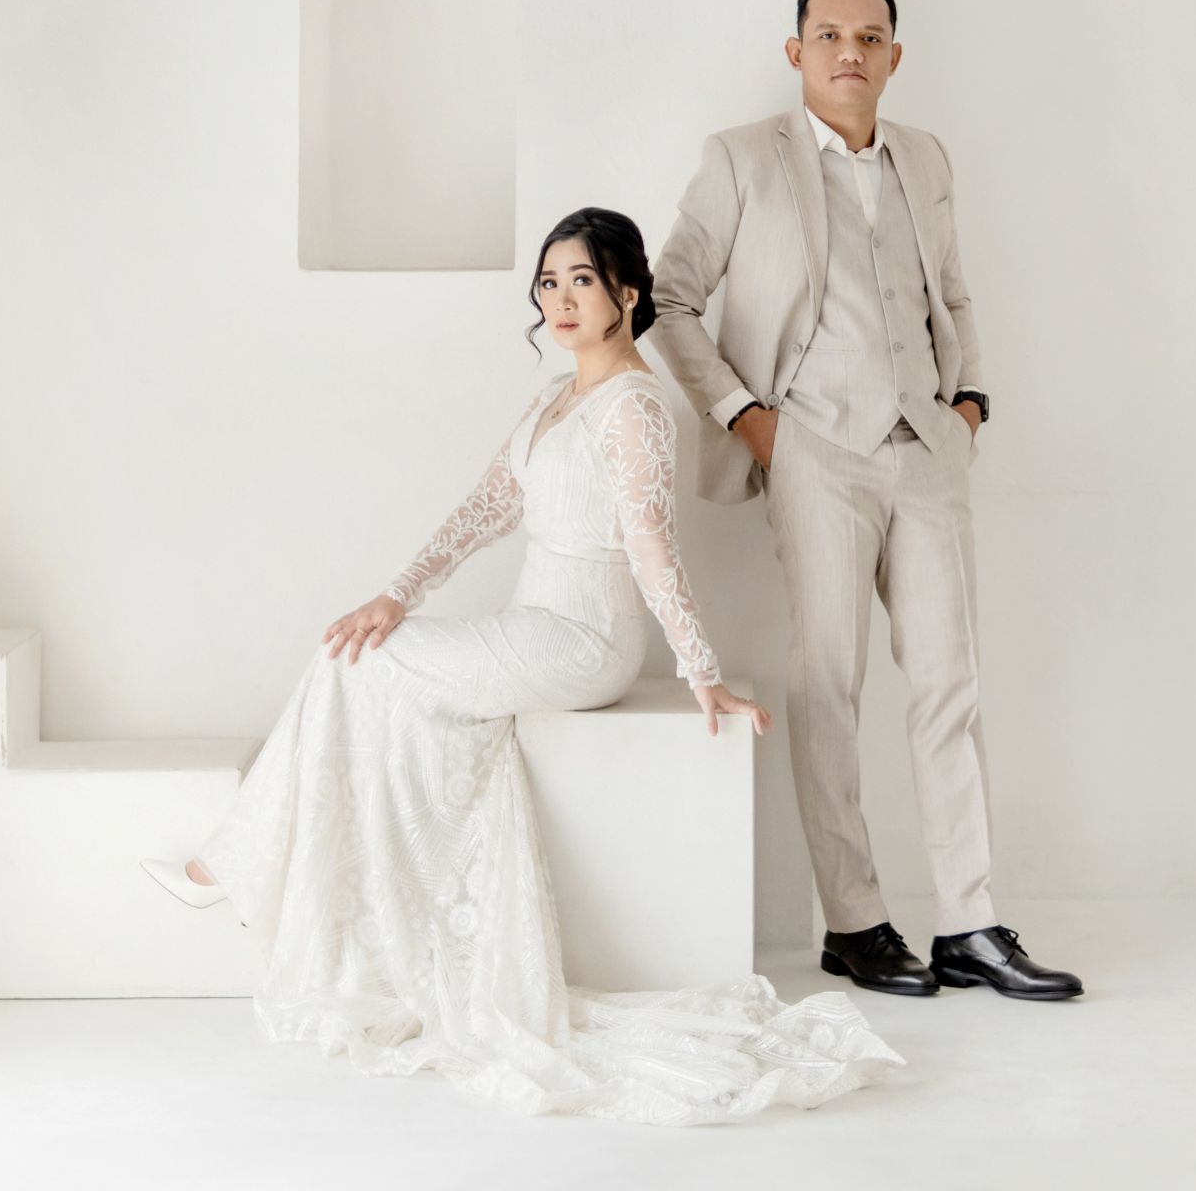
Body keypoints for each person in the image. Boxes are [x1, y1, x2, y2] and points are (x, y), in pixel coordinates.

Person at [140, 207, 905, 1125]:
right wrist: (396, 595)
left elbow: (651, 546)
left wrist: (701, 671)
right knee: (357, 654)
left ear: (628, 294)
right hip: (531, 621)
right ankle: (274, 878)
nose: (561, 299)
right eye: (549, 282)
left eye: (582, 280)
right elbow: (484, 508)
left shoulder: (637, 406)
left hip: (585, 640)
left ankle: (232, 871)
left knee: (354, 668)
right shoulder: (553, 397)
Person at [647, 0, 1083, 1001]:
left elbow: (954, 291)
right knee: (829, 685)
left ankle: (971, 923)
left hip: (925, 447)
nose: (851, 51)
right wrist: (747, 418)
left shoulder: (924, 157)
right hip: (813, 450)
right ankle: (854, 922)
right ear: (797, 51)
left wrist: (969, 402)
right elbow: (668, 297)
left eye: (871, 37)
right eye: (831, 34)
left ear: (894, 55)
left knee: (949, 683)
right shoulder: (743, 157)